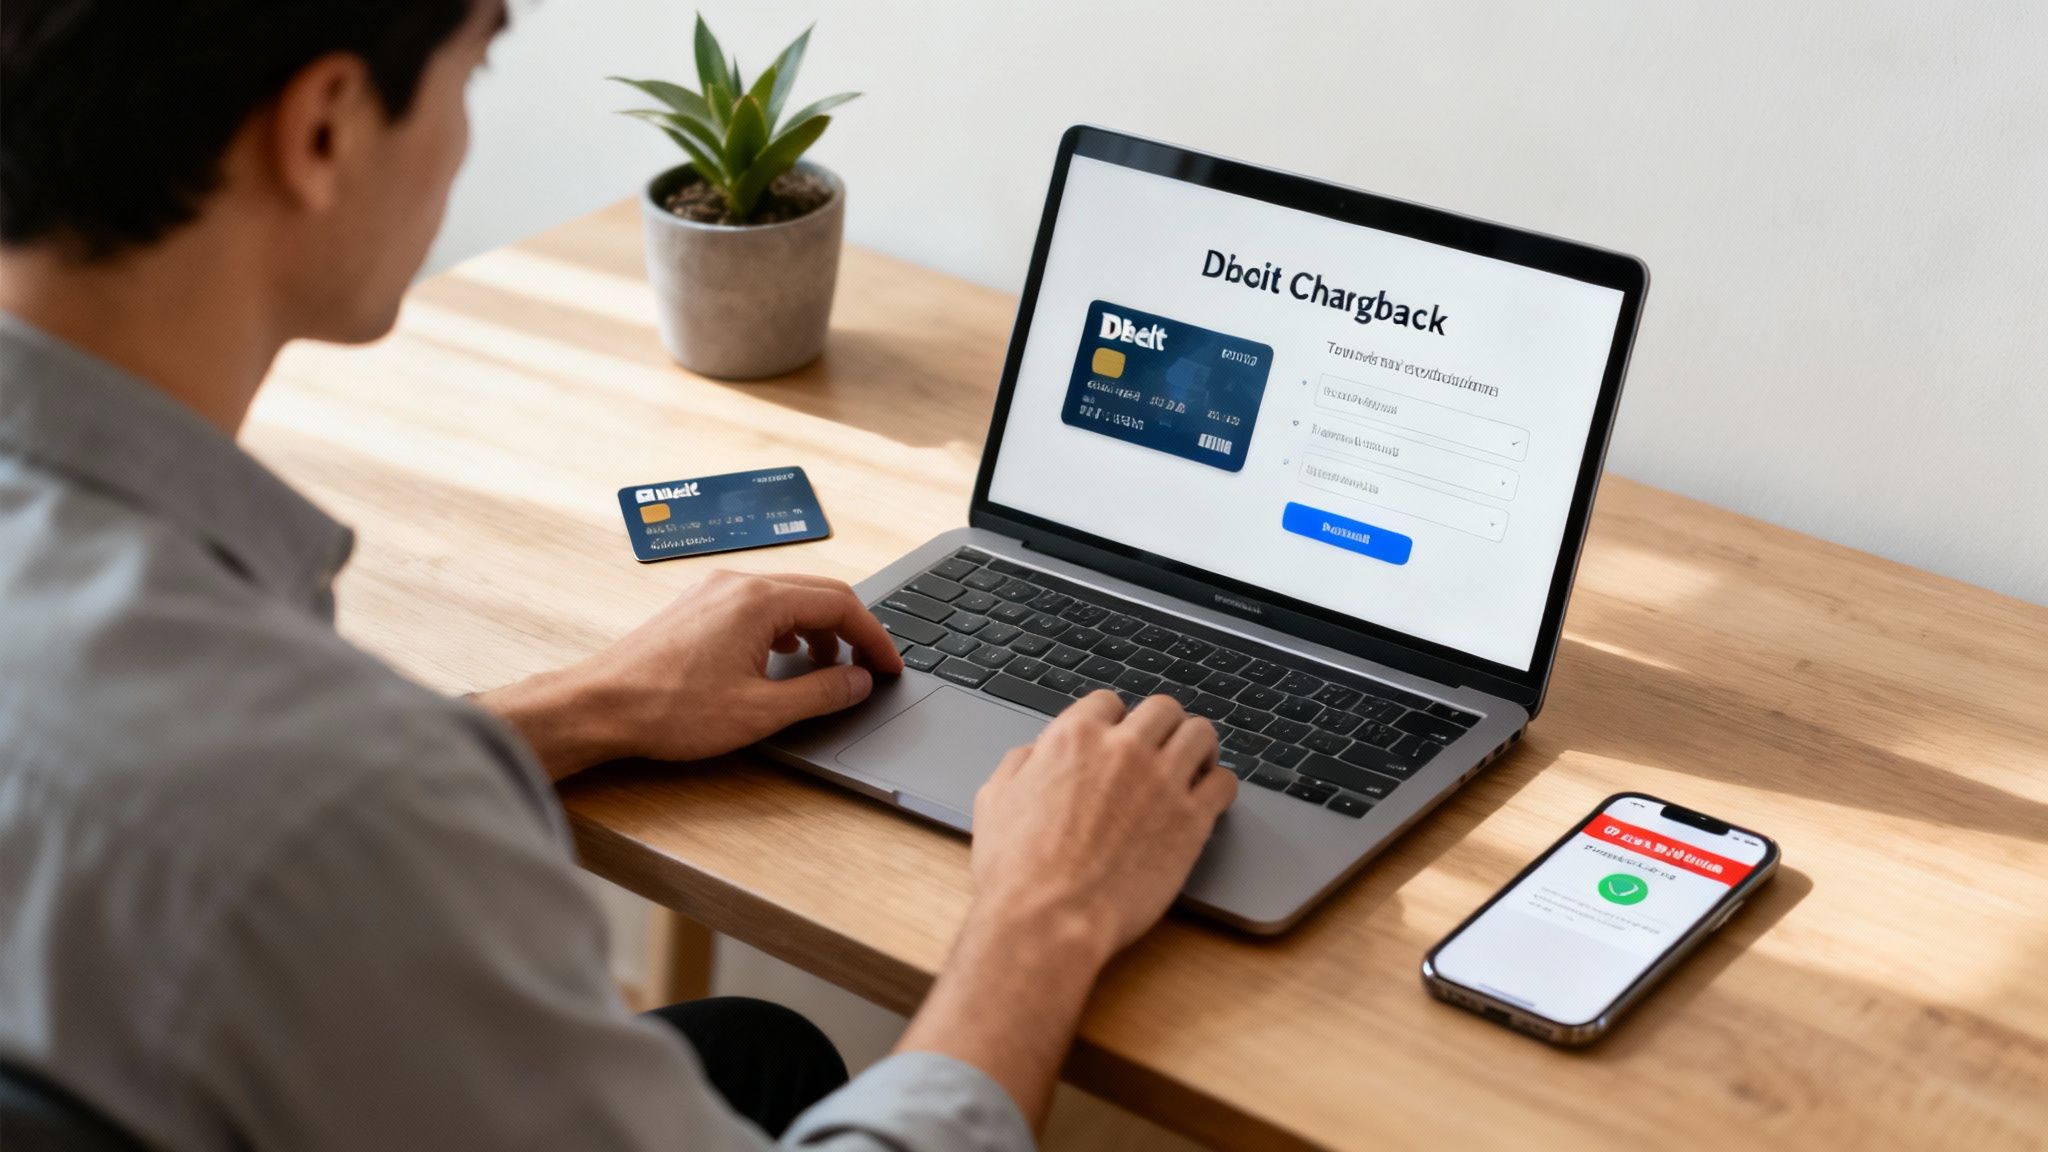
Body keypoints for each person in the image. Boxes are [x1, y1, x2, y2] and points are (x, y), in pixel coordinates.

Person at [0, 2, 1238, 1149]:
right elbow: (307, 818)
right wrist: (1046, 915)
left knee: (757, 1054)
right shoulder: (347, 817)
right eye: (470, 70)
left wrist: (589, 706)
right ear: (322, 129)